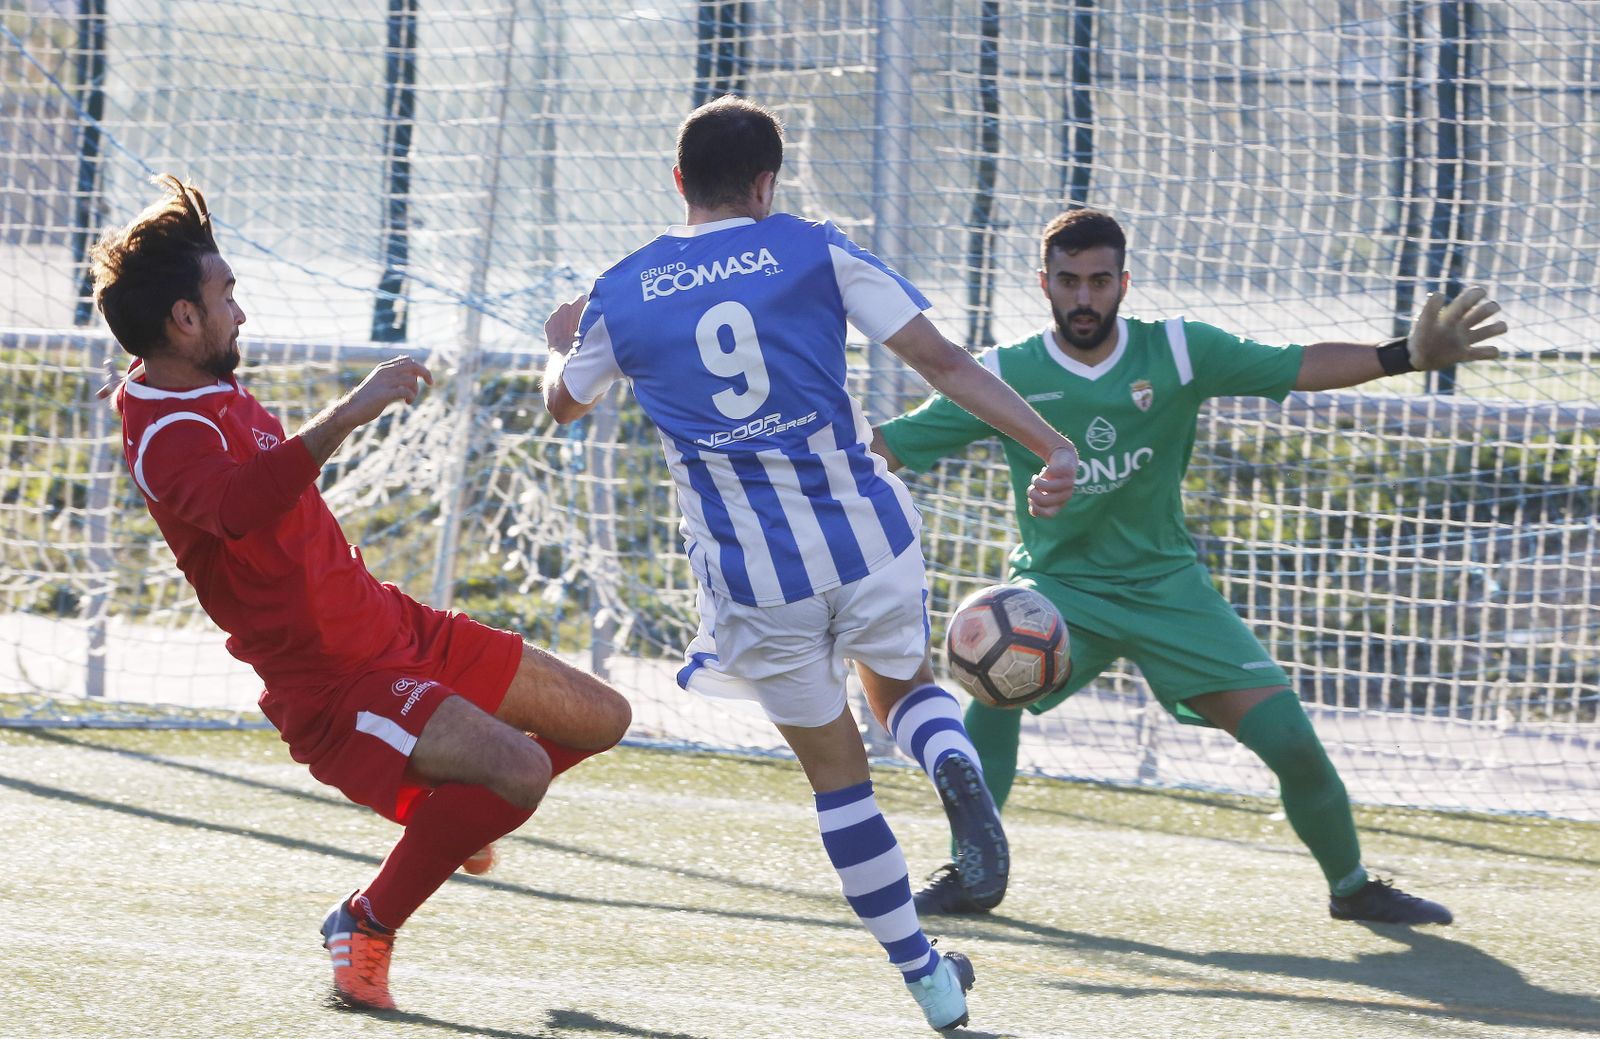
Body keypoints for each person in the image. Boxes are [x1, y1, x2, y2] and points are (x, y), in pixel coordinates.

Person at [541, 95, 1079, 1031]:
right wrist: (1050, 445)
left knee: (838, 778)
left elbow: (563, 405)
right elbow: (943, 361)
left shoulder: (621, 291)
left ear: (678, 184)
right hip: (869, 537)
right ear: (765, 183)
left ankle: (929, 980)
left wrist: (565, 341)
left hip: (757, 581)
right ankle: (950, 758)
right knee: (905, 686)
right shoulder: (809, 247)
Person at [873, 208, 1507, 926]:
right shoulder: (1006, 373)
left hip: (1169, 588)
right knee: (992, 697)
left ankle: (1353, 886)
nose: (1085, 298)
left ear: (1124, 282)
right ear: (1043, 283)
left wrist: (1406, 356)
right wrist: (792, 459)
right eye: (1069, 281)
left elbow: (1295, 364)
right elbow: (895, 443)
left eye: (1101, 281)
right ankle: (974, 873)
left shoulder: (1176, 351)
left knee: (1292, 741)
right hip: (1059, 593)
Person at [90, 174, 633, 1012]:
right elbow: (239, 507)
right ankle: (368, 920)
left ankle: (455, 818)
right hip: (339, 684)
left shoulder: (194, 380)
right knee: (520, 768)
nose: (242, 311)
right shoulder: (165, 431)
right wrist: (354, 409)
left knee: (603, 716)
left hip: (391, 625)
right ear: (183, 319)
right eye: (225, 294)